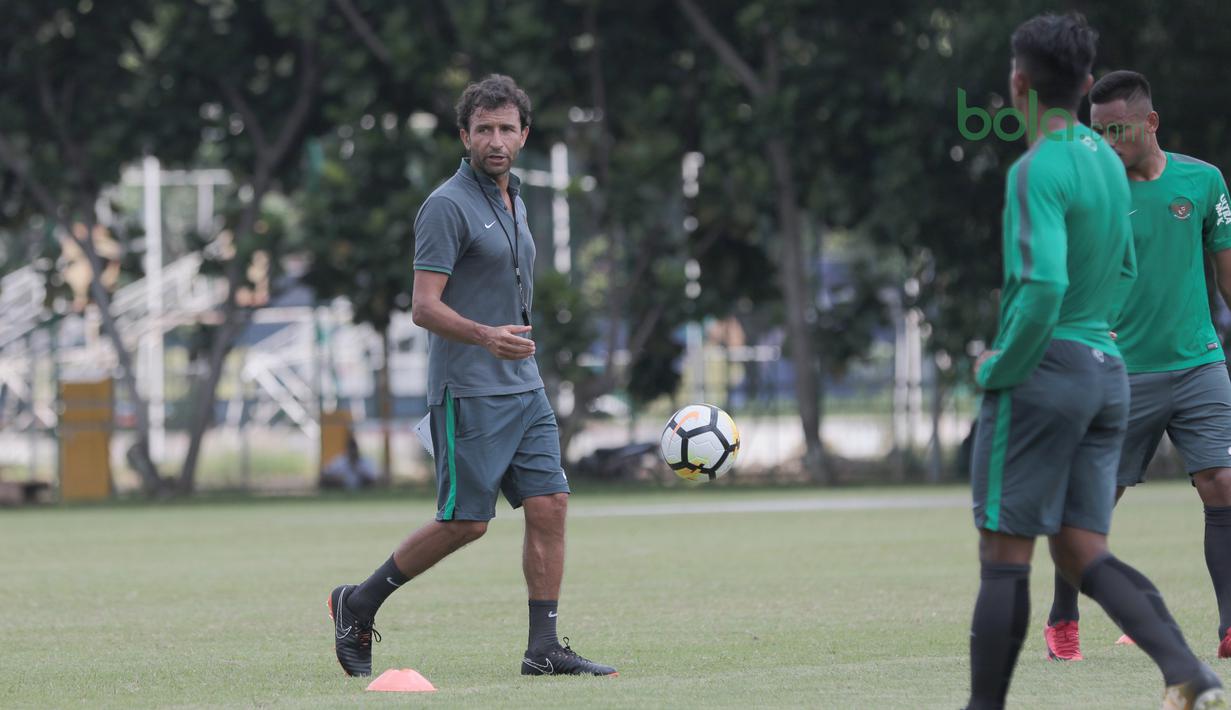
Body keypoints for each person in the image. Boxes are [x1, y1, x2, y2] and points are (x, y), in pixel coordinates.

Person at [965, 14, 1223, 710]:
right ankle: (1187, 670)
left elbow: (1043, 287)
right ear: (1084, 86)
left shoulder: (1035, 169)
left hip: (1046, 371)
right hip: (1109, 371)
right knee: (1081, 548)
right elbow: (1126, 264)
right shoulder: (1104, 165)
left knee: (1003, 554)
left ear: (1018, 83)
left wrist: (1000, 366)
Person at [327, 74, 616, 678]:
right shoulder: (446, 205)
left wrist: (511, 343)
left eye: (506, 128)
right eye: (483, 129)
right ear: (465, 136)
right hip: (468, 389)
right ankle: (358, 602)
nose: (495, 139)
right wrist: (486, 335)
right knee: (466, 522)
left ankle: (544, 649)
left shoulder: (518, 200)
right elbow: (423, 306)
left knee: (551, 503)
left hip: (525, 385)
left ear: (524, 135)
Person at [1043, 69, 1231, 663]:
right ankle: (1063, 617)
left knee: (1222, 484)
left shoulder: (1203, 183)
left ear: (1150, 123)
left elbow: (1227, 276)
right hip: (1119, 374)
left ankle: (1230, 629)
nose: (1105, 140)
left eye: (1116, 129)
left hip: (1200, 363)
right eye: (1096, 131)